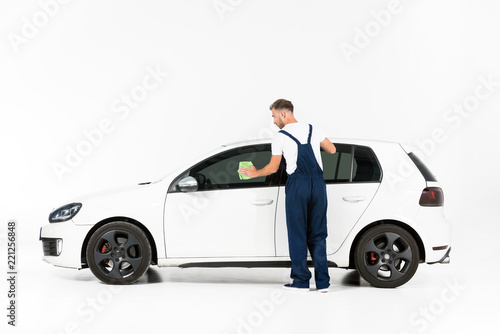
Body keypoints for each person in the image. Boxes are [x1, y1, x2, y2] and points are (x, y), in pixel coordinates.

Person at [240, 99, 336, 292]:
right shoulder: (312, 129)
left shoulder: (280, 137)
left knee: (297, 233)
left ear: (283, 114)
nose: (274, 122)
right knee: (318, 234)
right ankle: (323, 283)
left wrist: (254, 173)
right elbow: (332, 150)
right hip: (318, 185)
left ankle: (301, 281)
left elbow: (273, 168)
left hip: (298, 186)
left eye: (274, 116)